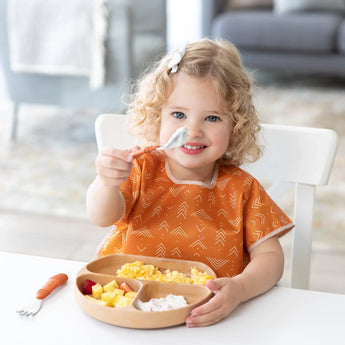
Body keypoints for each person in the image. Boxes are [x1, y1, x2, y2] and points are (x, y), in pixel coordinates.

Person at [87, 39, 293, 327]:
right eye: (179, 115)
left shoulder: (242, 188)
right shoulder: (142, 169)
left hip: (213, 318)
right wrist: (106, 183)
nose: (192, 131)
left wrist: (241, 288)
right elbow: (101, 216)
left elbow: (271, 259)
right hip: (129, 310)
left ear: (236, 126)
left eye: (211, 118)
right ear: (157, 116)